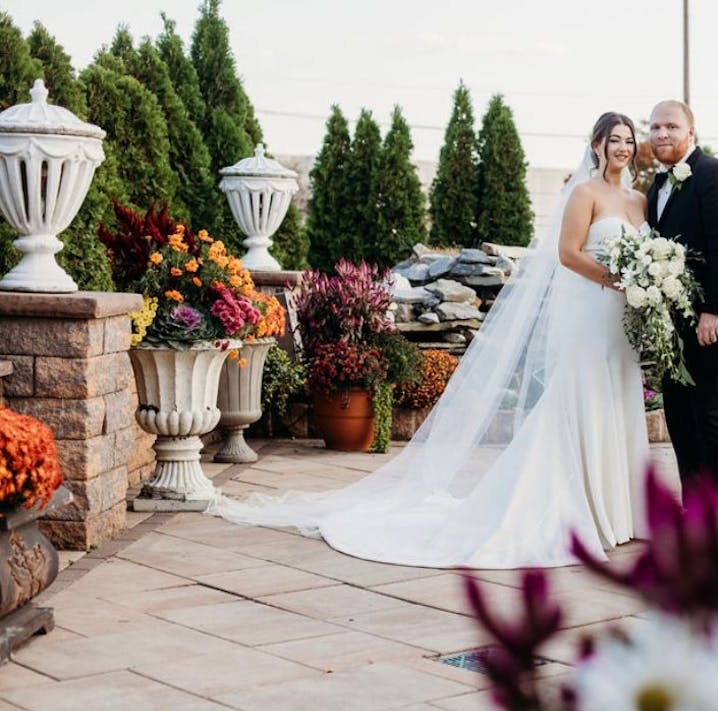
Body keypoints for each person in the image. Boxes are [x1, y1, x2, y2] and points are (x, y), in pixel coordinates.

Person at [209, 112, 650, 569]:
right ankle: (576, 510)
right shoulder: (583, 193)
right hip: (592, 312)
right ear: (596, 145)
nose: (621, 147)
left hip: (622, 320)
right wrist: (616, 279)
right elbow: (568, 254)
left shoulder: (639, 199)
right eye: (613, 139)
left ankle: (619, 513)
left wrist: (644, 282)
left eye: (627, 140)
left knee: (616, 398)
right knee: (582, 399)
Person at [646, 100, 718, 494]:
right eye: (655, 127)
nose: (662, 134)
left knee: (710, 417)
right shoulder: (656, 186)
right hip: (672, 324)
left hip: (713, 321)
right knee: (679, 418)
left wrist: (713, 310)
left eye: (671, 126)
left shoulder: (716, 175)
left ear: (692, 132)